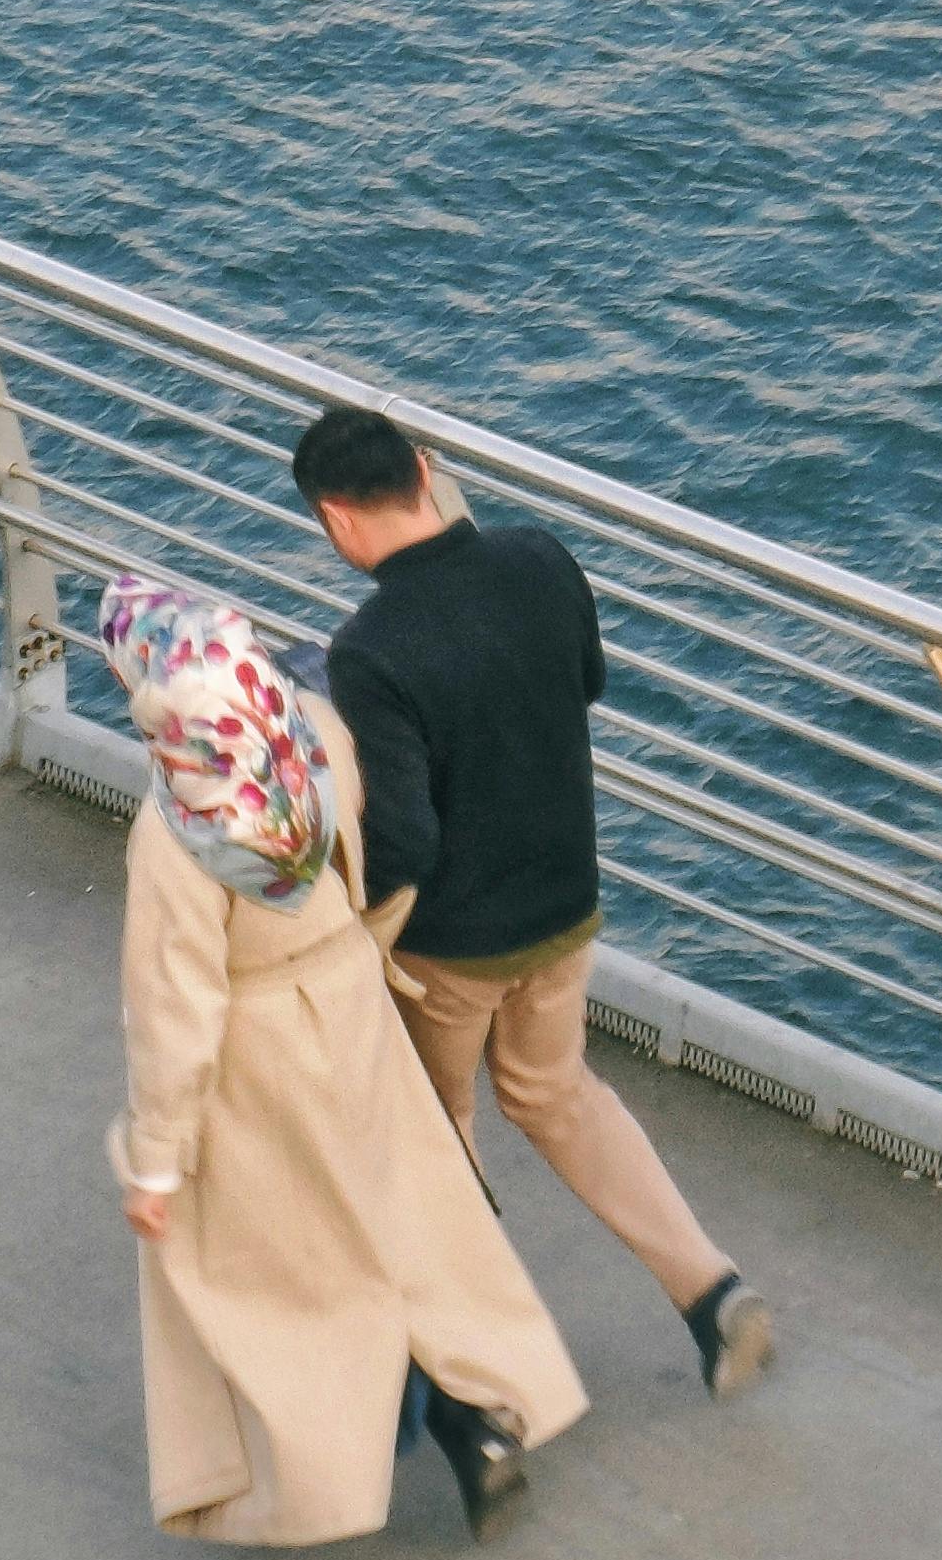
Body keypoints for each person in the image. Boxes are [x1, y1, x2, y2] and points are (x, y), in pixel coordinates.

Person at [288, 404, 774, 1398]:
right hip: (566, 902)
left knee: (435, 1136)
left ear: (336, 521)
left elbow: (409, 841)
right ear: (426, 471)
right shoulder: (540, 559)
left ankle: (488, 1386)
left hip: (452, 949)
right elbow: (583, 680)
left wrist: (343, 913)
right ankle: (712, 1293)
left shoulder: (367, 649)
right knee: (557, 1097)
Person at [101, 569, 586, 1544]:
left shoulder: (178, 825)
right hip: (354, 1008)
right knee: (399, 1223)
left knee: (286, 1278)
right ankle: (476, 1413)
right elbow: (397, 838)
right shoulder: (312, 732)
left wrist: (158, 1160)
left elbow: (176, 1008)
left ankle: (324, 1477)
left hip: (258, 1060)